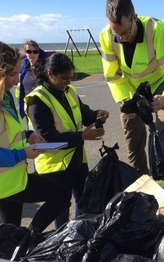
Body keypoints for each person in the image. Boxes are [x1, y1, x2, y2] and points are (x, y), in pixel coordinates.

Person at [0, 41, 71, 233]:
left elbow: (0, 135)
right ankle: (28, 238)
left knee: (10, 230)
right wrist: (22, 154)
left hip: (5, 174)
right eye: (13, 74)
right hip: (1, 179)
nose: (17, 80)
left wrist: (26, 135)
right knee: (61, 195)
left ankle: (15, 249)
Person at [100, 0, 164, 201]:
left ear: (134, 18)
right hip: (131, 89)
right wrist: (124, 101)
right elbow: (113, 76)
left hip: (162, 83)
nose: (121, 38)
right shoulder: (107, 35)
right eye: (117, 34)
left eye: (125, 33)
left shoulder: (159, 31)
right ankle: (140, 185)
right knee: (131, 129)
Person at [25, 53, 109, 229]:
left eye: (70, 78)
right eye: (64, 78)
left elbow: (83, 112)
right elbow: (47, 139)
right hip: (53, 164)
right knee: (60, 206)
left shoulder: (69, 91)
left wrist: (96, 114)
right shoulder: (37, 100)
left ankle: (78, 235)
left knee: (83, 200)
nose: (68, 82)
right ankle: (61, 239)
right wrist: (81, 136)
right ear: (50, 74)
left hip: (76, 158)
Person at [17, 40, 49, 119]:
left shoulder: (45, 70)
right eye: (29, 51)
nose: (32, 54)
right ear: (25, 53)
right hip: (28, 109)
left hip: (43, 110)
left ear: (39, 53)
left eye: (35, 51)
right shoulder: (24, 70)